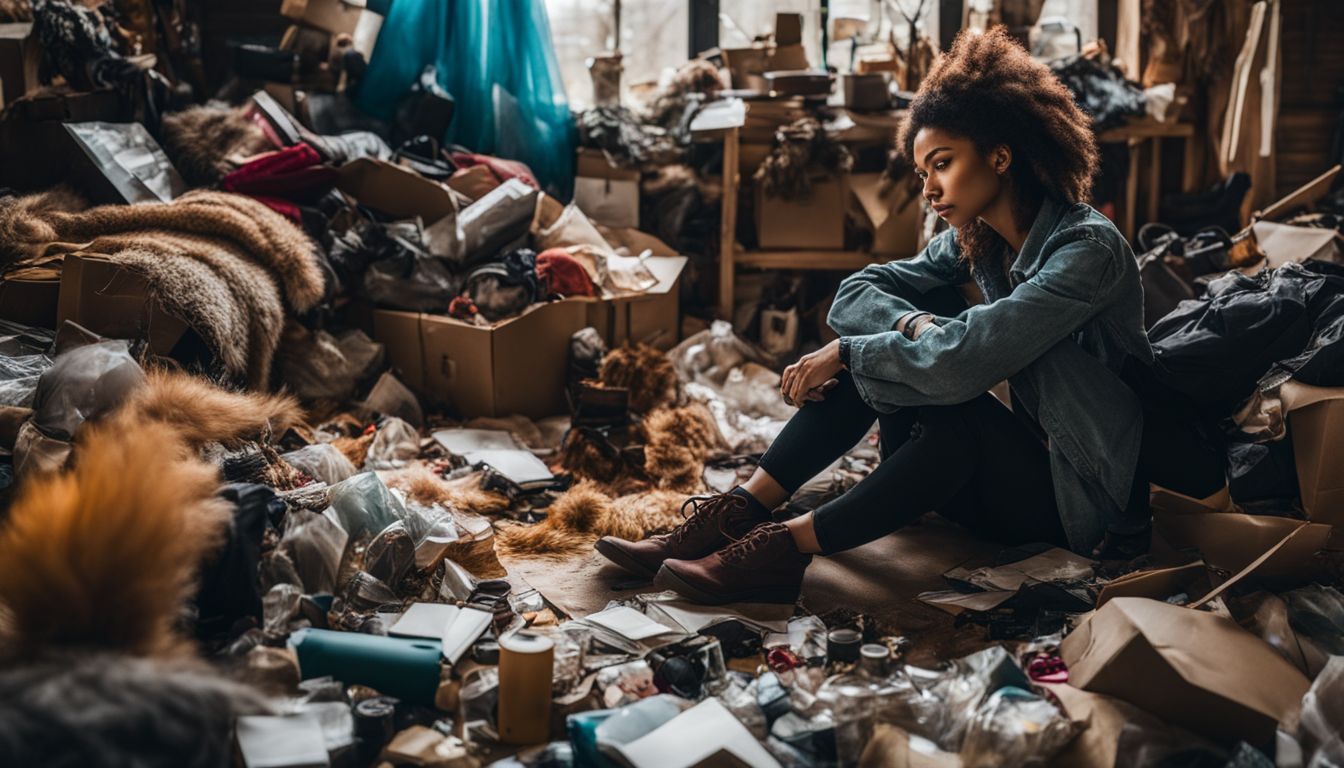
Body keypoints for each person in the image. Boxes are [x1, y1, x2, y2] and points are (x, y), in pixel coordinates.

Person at [595, 28, 1227, 605]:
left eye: (943, 163)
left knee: (935, 401)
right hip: (991, 492)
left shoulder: (1085, 250)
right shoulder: (976, 238)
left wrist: (850, 351)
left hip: (1079, 501)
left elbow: (962, 363)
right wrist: (910, 329)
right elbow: (857, 293)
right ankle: (735, 515)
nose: (929, 187)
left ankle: (784, 550)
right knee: (896, 352)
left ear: (1001, 157)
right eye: (923, 170)